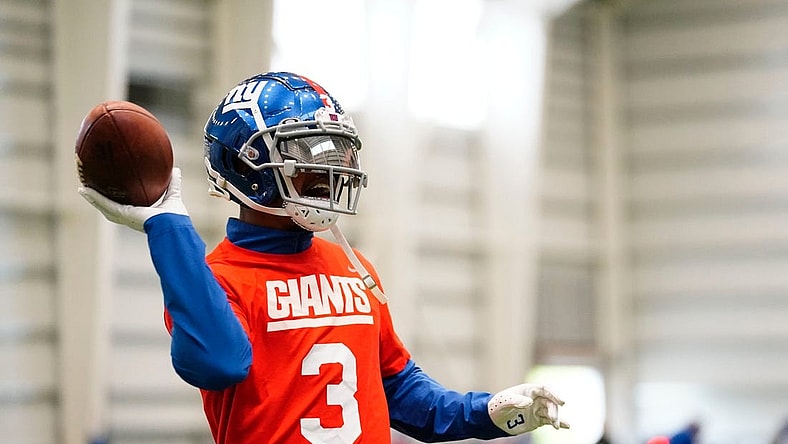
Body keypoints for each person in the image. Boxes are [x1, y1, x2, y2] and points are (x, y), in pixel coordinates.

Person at [79, 71, 569, 443]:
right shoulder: (216, 280)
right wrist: (168, 225)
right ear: (248, 169)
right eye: (307, 155)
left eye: (335, 154)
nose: (328, 171)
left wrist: (486, 413)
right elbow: (219, 363)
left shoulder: (354, 268)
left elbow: (399, 391)